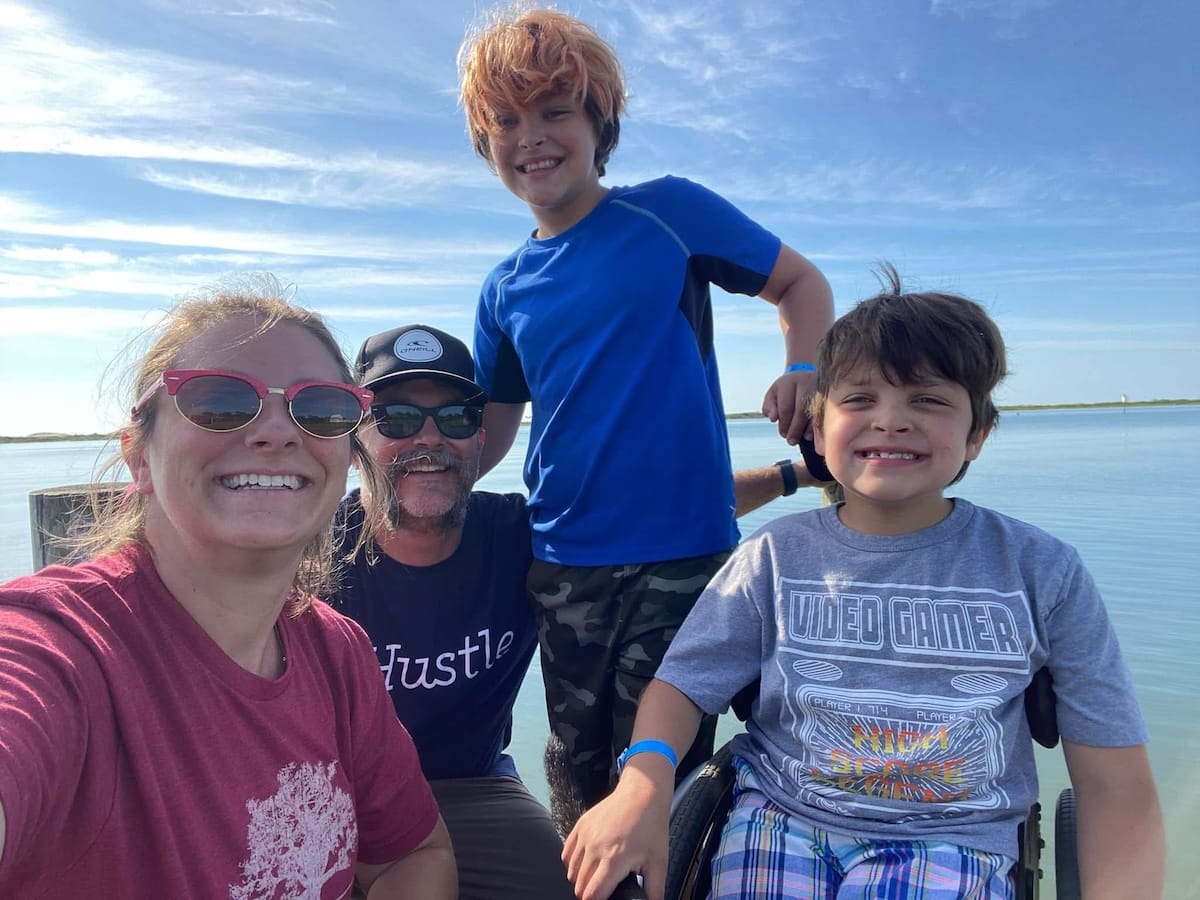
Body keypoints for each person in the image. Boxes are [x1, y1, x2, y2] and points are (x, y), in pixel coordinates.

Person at [562, 266, 1166, 900]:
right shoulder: (774, 555)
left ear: (978, 433)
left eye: (928, 400)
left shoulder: (1044, 571)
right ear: (819, 432)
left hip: (955, 839)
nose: (891, 421)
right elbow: (682, 685)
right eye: (859, 400)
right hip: (778, 817)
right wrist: (643, 783)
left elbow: (1115, 783)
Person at [457, 5, 837, 825]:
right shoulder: (504, 287)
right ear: (486, 146)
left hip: (682, 560)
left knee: (664, 777)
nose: (532, 137)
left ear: (599, 123)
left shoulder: (668, 213)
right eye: (507, 121)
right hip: (561, 562)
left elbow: (802, 285)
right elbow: (489, 430)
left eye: (556, 111)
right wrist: (407, 476)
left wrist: (803, 369)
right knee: (575, 767)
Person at [330, 324, 829, 898]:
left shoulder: (522, 536)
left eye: (455, 417)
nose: (429, 439)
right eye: (395, 418)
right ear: (352, 438)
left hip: (474, 788)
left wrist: (799, 473)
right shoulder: (306, 559)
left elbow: (665, 514)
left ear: (480, 434)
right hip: (334, 792)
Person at [0, 282, 456, 898]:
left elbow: (413, 854)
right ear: (139, 455)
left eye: (320, 408)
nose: (276, 432)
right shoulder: (60, 648)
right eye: (218, 401)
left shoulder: (335, 649)